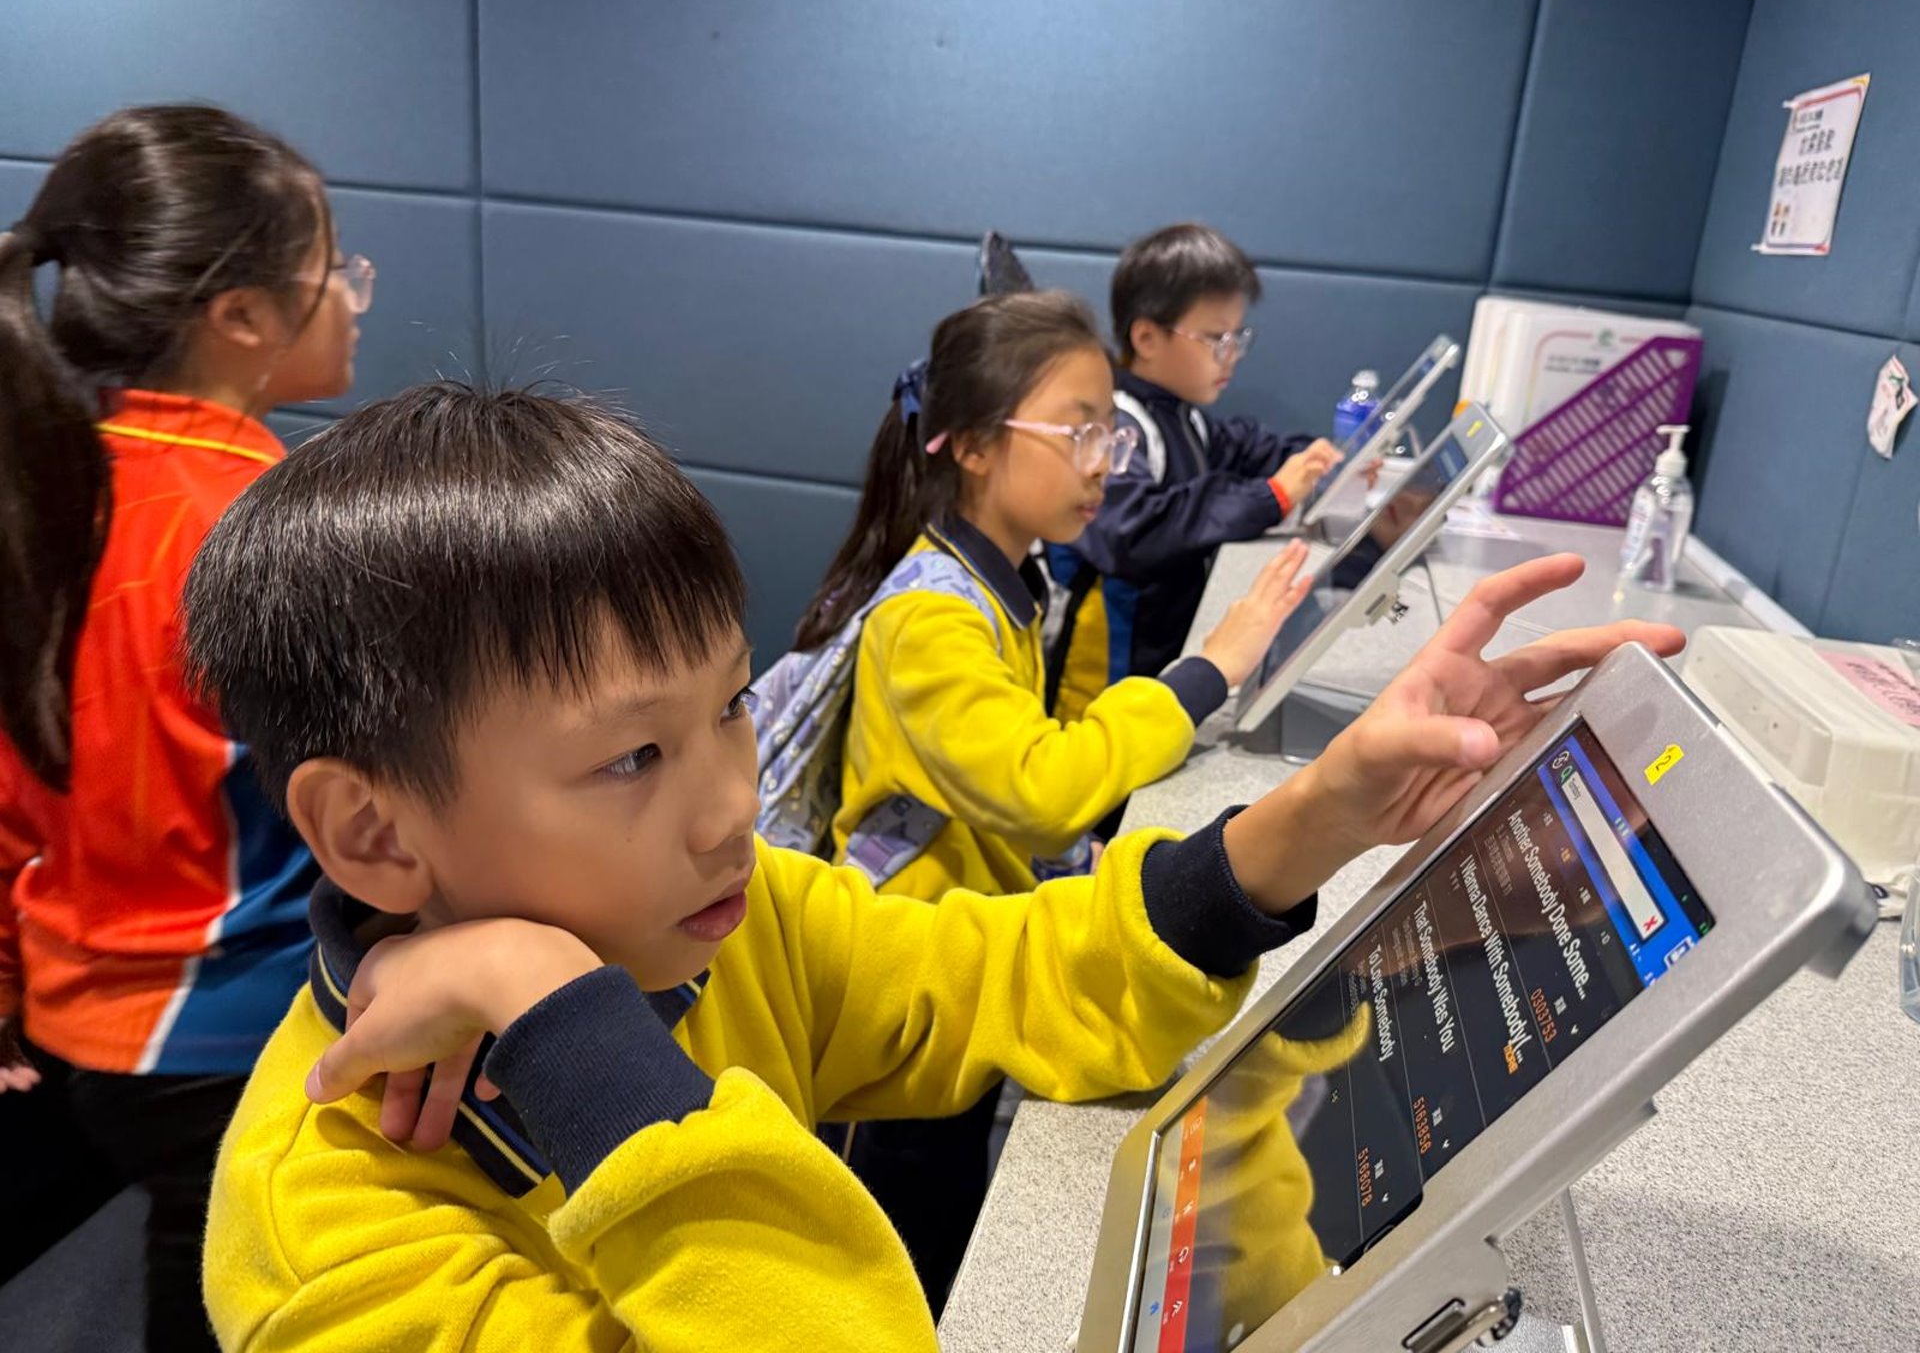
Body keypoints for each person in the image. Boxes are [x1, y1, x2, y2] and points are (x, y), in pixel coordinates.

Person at [182, 377, 1683, 1351]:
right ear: (374, 833)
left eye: (728, 711)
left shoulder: (729, 920)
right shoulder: (329, 1235)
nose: (729, 808)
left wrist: (1324, 815)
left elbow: (1001, 971)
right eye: (632, 759)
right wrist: (564, 1025)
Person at [789, 291, 1311, 1306]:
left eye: (1110, 432)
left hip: (964, 961)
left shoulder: (1004, 582)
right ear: (975, 446)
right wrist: (1203, 675)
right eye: (1078, 432)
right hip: (904, 988)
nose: (1103, 463)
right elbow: (1038, 789)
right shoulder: (930, 619)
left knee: (946, 1199)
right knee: (904, 1237)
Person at [0, 104, 366, 1351]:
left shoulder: (50, 482)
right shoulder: (263, 529)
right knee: (241, 1295)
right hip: (225, 1024)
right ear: (243, 317)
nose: (351, 298)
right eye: (335, 270)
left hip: (73, 1011)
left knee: (189, 1258)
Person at [1051, 223, 1344, 697]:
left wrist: (1321, 461)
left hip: (1161, 655)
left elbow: (1248, 448)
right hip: (1108, 675)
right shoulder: (1119, 425)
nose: (1232, 356)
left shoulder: (1183, 416)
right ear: (1147, 338)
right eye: (1215, 339)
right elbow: (1134, 532)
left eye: (1237, 337)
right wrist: (1272, 495)